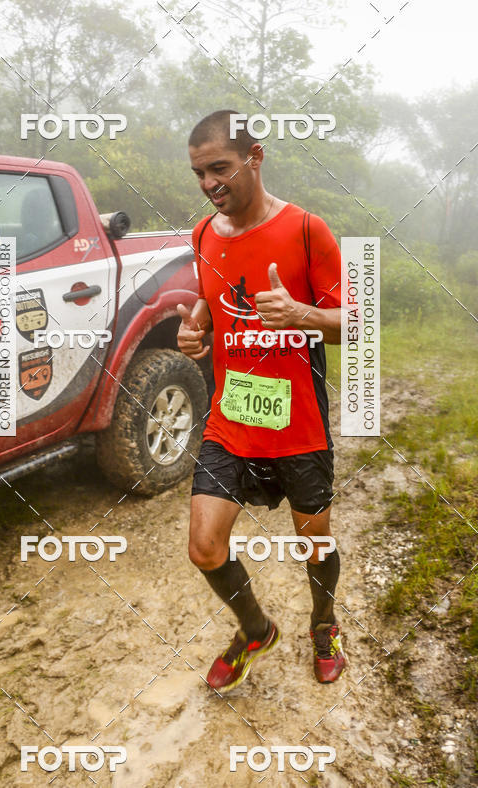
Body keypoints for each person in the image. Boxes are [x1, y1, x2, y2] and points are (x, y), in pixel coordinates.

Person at [177, 109, 346, 693]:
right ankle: (255, 630)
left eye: (219, 168)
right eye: (199, 173)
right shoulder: (201, 234)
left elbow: (356, 324)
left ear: (256, 157)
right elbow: (209, 296)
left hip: (298, 424)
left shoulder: (306, 230)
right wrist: (196, 329)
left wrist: (302, 315)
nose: (209, 184)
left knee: (315, 542)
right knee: (204, 547)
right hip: (232, 418)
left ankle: (323, 626)